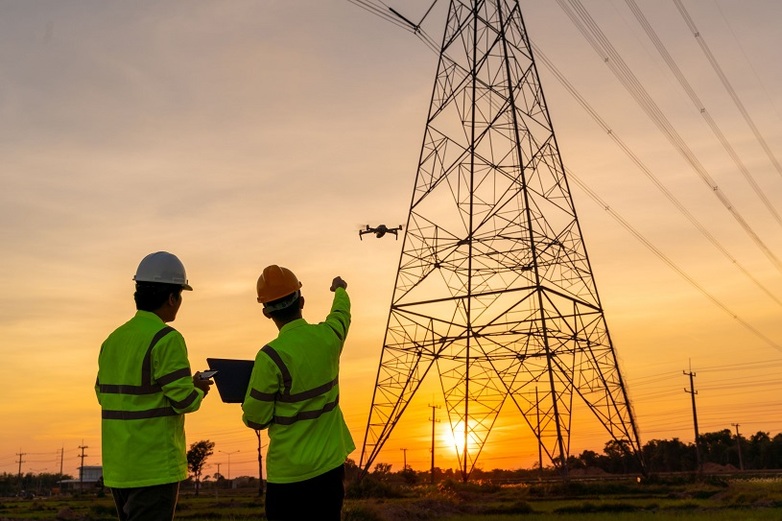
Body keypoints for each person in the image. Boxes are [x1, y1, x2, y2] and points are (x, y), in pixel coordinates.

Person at [95, 251, 213, 521]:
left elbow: (104, 394)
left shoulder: (113, 340)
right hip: (154, 468)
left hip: (119, 468)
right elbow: (184, 401)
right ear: (172, 298)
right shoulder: (166, 339)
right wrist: (197, 387)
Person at [242, 265, 354, 521]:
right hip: (329, 470)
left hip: (287, 476)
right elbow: (341, 314)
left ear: (266, 312)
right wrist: (340, 289)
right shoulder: (329, 338)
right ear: (301, 300)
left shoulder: (269, 357)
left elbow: (256, 419)